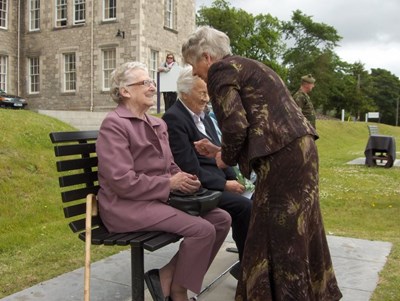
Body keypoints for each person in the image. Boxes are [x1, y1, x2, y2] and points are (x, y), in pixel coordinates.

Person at [182, 26, 342, 301]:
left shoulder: (220, 71)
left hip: (282, 161)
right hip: (299, 152)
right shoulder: (248, 66)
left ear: (207, 57)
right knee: (301, 227)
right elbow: (259, 125)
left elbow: (235, 125)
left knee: (279, 234)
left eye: (192, 64)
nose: (194, 72)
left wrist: (224, 157)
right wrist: (221, 149)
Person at [96, 61, 231, 301]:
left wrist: (185, 179)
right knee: (202, 230)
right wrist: (169, 184)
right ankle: (178, 291)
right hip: (125, 207)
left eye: (151, 82)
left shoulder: (157, 123)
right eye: (144, 82)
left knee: (221, 219)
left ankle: (167, 275)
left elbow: (169, 165)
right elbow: (120, 181)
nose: (152, 87)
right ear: (125, 91)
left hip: (157, 200)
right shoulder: (114, 124)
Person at [162, 66, 253, 280]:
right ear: (184, 93)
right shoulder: (174, 119)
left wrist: (231, 177)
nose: (206, 98)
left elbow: (221, 154)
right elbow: (188, 168)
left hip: (214, 185)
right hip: (197, 191)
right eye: (202, 93)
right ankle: (248, 269)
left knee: (257, 199)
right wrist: (225, 186)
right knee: (244, 207)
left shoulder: (202, 118)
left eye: (208, 93)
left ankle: (251, 261)